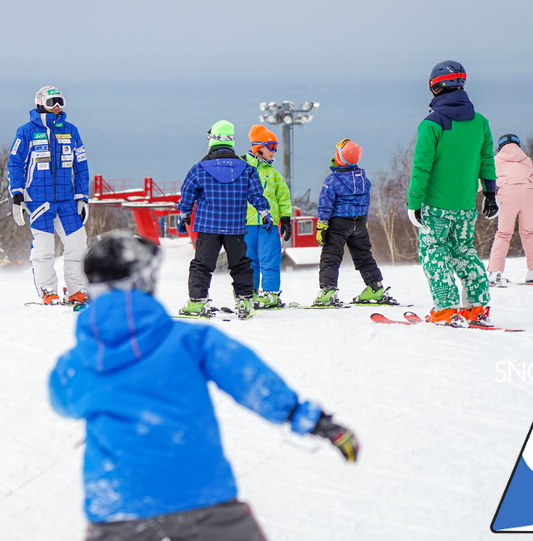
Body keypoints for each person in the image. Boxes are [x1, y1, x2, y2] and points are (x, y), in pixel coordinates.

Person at [49, 231, 360, 541]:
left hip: (118, 503)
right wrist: (304, 417)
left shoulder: (78, 363)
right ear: (144, 283)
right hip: (199, 494)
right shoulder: (190, 340)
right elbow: (250, 379)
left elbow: (62, 400)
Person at [406, 60, 499, 326]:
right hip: (465, 205)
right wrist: (490, 194)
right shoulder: (480, 122)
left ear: (434, 87)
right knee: (464, 252)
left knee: (434, 254)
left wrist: (414, 202)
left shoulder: (432, 123)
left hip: (435, 205)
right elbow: (487, 160)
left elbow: (421, 166)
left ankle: (446, 309)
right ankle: (476, 307)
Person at [175, 121, 272, 320]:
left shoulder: (199, 168)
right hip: (235, 227)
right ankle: (245, 300)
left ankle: (197, 302)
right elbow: (256, 195)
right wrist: (265, 213)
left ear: (212, 140)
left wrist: (184, 215)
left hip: (208, 226)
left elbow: (187, 195)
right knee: (241, 264)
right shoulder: (247, 169)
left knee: (202, 265)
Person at [7, 85, 91, 306]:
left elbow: (81, 165)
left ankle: (77, 290)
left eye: (60, 102)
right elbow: (15, 164)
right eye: (51, 102)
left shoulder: (71, 130)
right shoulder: (25, 131)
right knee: (44, 248)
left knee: (78, 244)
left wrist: (82, 196)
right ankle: (48, 290)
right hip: (39, 201)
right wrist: (17, 195)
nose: (56, 107)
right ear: (39, 104)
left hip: (66, 200)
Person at [312, 139, 397, 307]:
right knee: (364, 255)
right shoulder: (363, 180)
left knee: (331, 256)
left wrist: (322, 225)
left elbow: (325, 204)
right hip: (358, 223)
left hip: (338, 223)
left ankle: (328, 290)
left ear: (339, 158)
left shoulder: (332, 181)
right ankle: (375, 287)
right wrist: (363, 222)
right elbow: (366, 202)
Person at [241, 125, 293, 309]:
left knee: (270, 259)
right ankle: (251, 292)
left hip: (268, 225)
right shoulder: (243, 169)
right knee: (248, 261)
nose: (275, 151)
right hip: (246, 223)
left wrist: (285, 218)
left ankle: (271, 293)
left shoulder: (273, 174)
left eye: (276, 146)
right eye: (272, 146)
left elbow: (283, 197)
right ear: (258, 147)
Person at [487, 134, 533, 286]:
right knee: (528, 232)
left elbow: (485, 183)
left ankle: (495, 274)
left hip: (507, 197)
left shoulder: (495, 161)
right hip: (529, 196)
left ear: (500, 147)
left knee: (504, 233)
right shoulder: (526, 161)